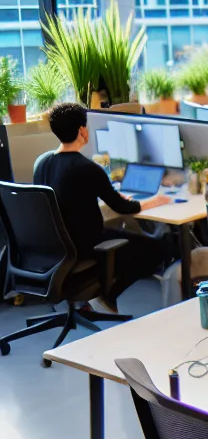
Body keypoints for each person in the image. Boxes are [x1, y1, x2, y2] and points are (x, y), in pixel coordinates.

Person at [33, 101, 171, 306]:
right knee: (156, 249)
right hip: (86, 246)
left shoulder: (42, 163)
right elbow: (123, 208)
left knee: (127, 237)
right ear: (82, 130)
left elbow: (69, 197)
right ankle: (109, 294)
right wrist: (155, 201)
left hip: (55, 249)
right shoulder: (87, 168)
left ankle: (89, 303)